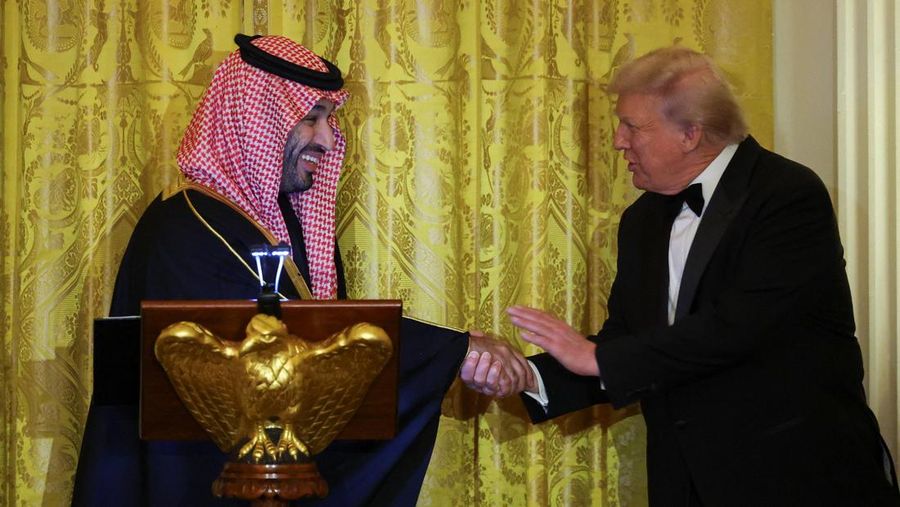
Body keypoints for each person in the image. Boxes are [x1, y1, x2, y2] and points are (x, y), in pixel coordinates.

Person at [73, 34, 530, 506]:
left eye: (329, 120)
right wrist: (458, 350)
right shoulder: (190, 227)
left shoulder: (277, 222)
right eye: (311, 119)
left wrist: (455, 352)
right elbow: (282, 345)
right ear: (256, 123)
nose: (329, 141)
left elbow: (315, 338)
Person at [462, 46, 900, 505]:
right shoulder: (642, 220)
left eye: (632, 126)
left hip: (798, 479)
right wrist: (529, 376)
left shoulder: (787, 194)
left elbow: (738, 327)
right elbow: (629, 342)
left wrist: (597, 359)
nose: (617, 141)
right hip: (686, 484)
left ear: (690, 133)